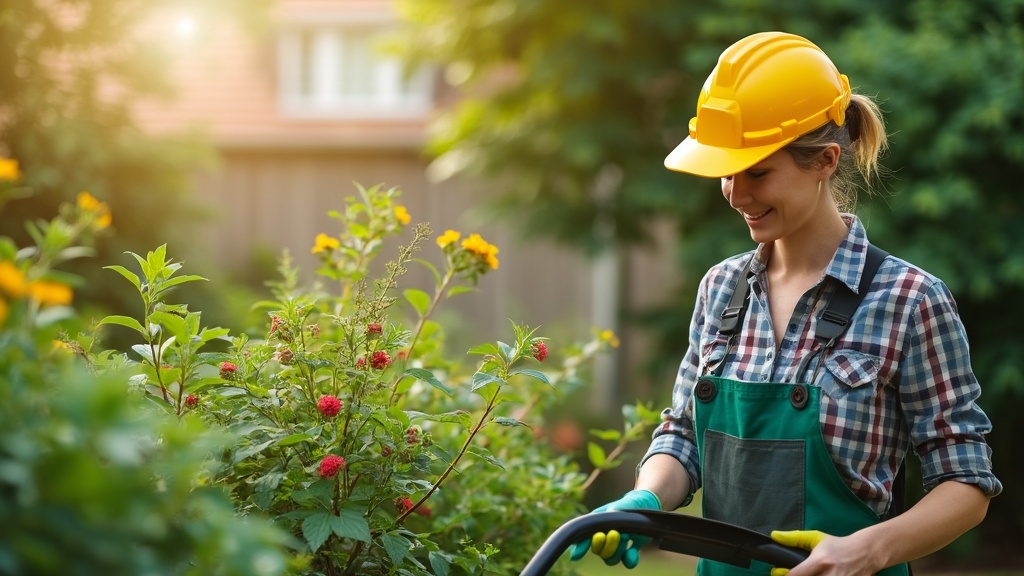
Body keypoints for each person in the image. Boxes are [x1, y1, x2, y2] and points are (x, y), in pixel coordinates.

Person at [570, 31, 1001, 576]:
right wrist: (647, 500)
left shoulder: (910, 301)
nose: (735, 193)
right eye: (727, 170)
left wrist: (868, 550)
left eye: (758, 171)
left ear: (824, 160)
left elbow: (966, 483)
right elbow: (682, 437)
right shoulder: (721, 289)